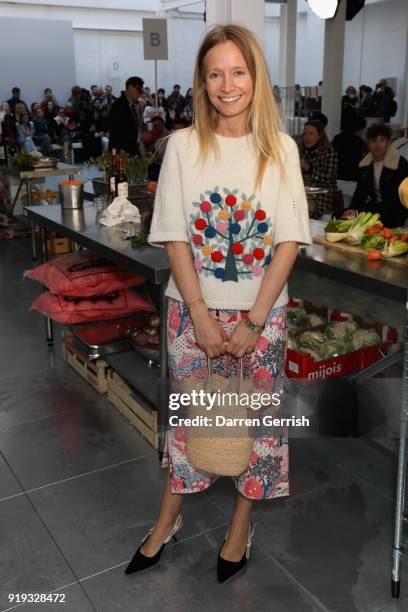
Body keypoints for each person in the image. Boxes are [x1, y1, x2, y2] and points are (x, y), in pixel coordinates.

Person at [125, 23, 312, 583]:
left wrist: (254, 320)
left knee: (258, 427)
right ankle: (167, 522)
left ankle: (240, 526)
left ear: (255, 77)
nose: (227, 85)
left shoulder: (281, 149)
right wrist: (202, 315)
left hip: (263, 314)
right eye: (215, 74)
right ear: (201, 82)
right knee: (190, 425)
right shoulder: (181, 146)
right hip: (191, 313)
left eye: (238, 72)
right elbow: (177, 237)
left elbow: (288, 243)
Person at [348, 123, 408, 227]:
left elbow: (393, 201)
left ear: (389, 142)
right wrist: (351, 211)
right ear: (368, 143)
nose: (377, 145)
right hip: (375, 208)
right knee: (340, 215)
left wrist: (360, 213)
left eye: (382, 140)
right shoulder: (365, 165)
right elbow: (359, 195)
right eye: (373, 140)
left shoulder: (400, 164)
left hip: (395, 210)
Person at [299, 120, 338, 218]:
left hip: (322, 202)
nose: (307, 137)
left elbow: (328, 178)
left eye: (311, 134)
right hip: (302, 201)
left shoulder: (329, 152)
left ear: (319, 136)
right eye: (305, 134)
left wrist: (309, 168)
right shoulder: (300, 152)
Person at [109, 76, 144, 155]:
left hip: (132, 149)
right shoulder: (118, 105)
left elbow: (136, 125)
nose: (140, 93)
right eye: (138, 89)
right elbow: (117, 131)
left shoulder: (134, 105)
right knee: (118, 168)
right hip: (120, 151)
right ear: (130, 87)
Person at [332, 115, 368, 181]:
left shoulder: (337, 138)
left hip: (337, 174)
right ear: (361, 129)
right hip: (353, 176)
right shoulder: (359, 142)